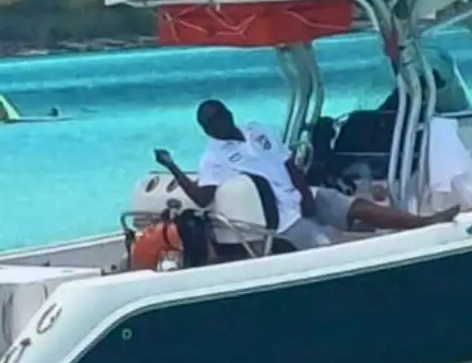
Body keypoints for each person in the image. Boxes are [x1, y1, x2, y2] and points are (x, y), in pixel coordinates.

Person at [154, 99, 456, 252]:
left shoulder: (257, 129)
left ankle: (422, 223)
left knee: (356, 207)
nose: (218, 123)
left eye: (220, 115)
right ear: (205, 129)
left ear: (228, 113)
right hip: (284, 219)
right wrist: (172, 166)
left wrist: (304, 197)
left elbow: (289, 164)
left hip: (301, 196)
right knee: (325, 244)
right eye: (211, 122)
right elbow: (202, 196)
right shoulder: (213, 158)